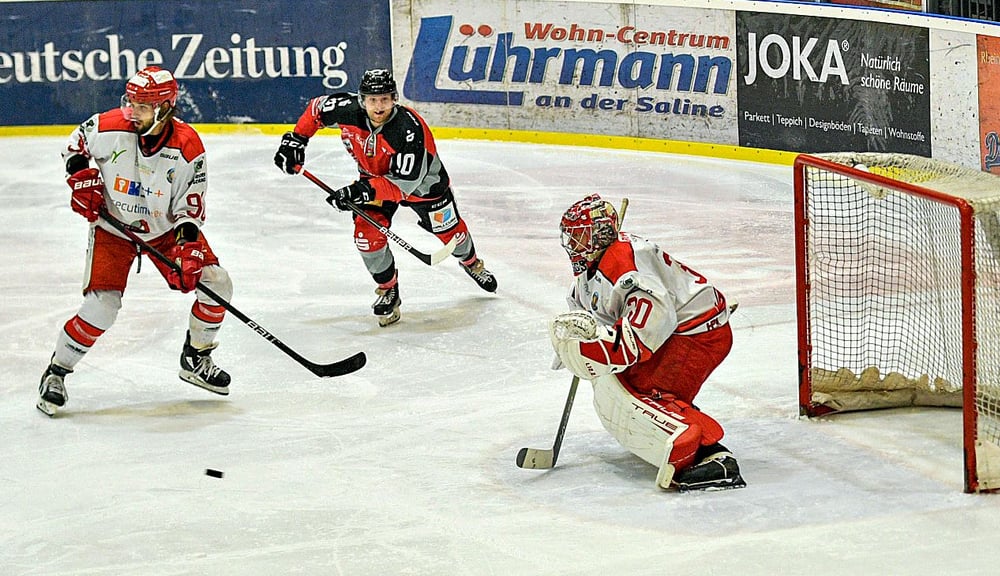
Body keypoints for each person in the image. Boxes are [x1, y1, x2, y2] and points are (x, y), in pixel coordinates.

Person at [37, 66, 234, 417]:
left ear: (165, 108)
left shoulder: (188, 147)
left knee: (216, 282)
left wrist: (188, 248)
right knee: (102, 307)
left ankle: (196, 357)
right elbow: (75, 145)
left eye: (142, 106)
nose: (132, 112)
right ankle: (56, 372)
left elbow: (189, 208)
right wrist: (82, 177)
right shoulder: (109, 125)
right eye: (131, 102)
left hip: (163, 229)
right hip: (114, 229)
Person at [548, 194, 745, 491]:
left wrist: (592, 352)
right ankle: (674, 416)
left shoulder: (624, 267)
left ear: (600, 236)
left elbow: (643, 336)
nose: (572, 246)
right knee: (627, 380)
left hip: (699, 334)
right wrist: (572, 343)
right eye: (571, 239)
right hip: (676, 331)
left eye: (580, 238)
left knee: (644, 389)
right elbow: (583, 313)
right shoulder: (594, 267)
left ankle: (715, 458)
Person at [273, 68, 496, 327]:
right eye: (372, 100)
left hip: (423, 187)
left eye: (385, 99)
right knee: (366, 237)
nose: (378, 106)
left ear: (394, 99)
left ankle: (472, 263)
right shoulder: (347, 108)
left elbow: (402, 185)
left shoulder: (408, 130)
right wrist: (296, 140)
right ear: (361, 99)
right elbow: (316, 109)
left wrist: (359, 192)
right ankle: (388, 289)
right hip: (373, 181)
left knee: (452, 236)